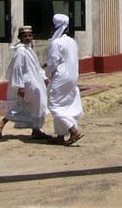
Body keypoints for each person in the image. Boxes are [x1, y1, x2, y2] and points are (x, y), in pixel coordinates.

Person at [0, 25, 51, 141]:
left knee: (36, 105)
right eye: (25, 36)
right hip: (28, 84)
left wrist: (43, 72)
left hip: (35, 83)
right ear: (20, 37)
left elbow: (32, 68)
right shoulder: (21, 51)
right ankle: (0, 125)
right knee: (22, 105)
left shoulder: (28, 49)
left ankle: (36, 130)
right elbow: (17, 69)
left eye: (30, 35)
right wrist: (20, 86)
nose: (28, 38)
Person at [46, 14, 84, 146]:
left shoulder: (56, 43)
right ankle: (60, 136)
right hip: (73, 76)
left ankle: (73, 131)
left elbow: (52, 62)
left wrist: (48, 73)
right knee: (65, 105)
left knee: (54, 105)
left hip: (61, 77)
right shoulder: (72, 42)